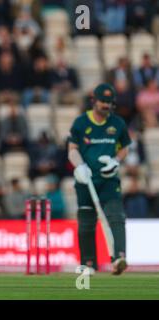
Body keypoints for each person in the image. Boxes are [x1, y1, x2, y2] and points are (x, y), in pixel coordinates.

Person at [68, 83, 131, 275]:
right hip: (85, 181)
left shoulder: (118, 123)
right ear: (94, 100)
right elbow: (72, 150)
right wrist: (79, 166)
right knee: (86, 222)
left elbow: (124, 148)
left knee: (116, 217)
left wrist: (115, 161)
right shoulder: (81, 123)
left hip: (108, 180)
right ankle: (88, 263)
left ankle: (119, 257)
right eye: (102, 101)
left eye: (109, 102)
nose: (106, 105)